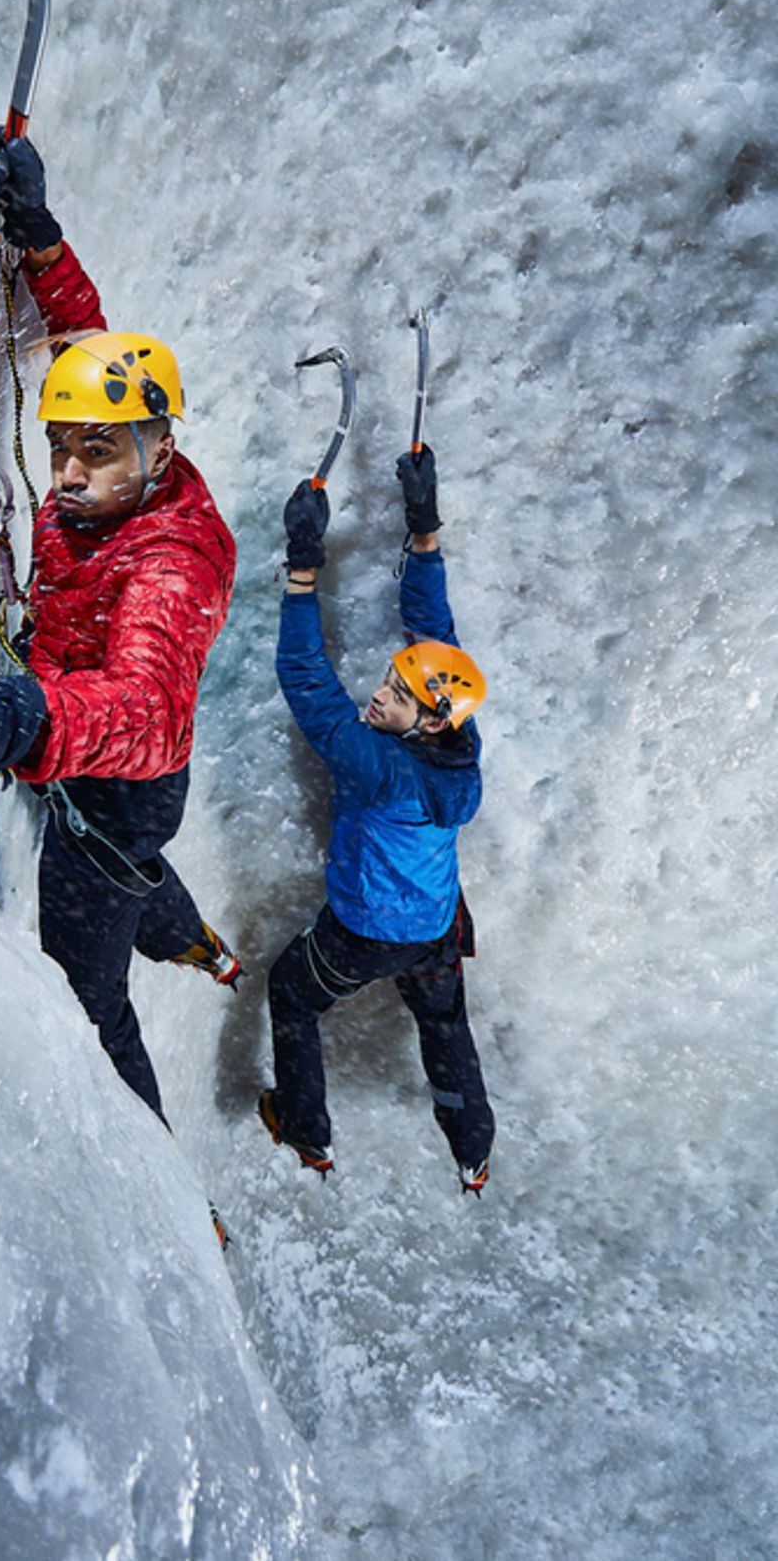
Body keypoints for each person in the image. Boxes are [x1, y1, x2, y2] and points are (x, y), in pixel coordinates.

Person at [0, 131, 240, 1127]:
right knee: (130, 881)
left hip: (120, 780)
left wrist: (14, 716)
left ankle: (157, 1184)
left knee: (86, 990)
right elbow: (87, 340)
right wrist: (38, 237)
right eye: (60, 446)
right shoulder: (118, 453)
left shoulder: (175, 557)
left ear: (161, 445)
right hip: (86, 756)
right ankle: (195, 942)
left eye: (97, 453)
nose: (69, 473)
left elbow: (150, 709)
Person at [260, 443, 496, 1193]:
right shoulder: (458, 737)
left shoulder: (375, 764)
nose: (379, 694)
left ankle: (308, 1134)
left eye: (396, 695)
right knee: (444, 1023)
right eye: (392, 680)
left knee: (292, 997)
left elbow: (305, 678)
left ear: (425, 722)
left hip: (364, 935)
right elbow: (435, 631)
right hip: (434, 924)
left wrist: (303, 567)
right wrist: (424, 530)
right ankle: (473, 1151)